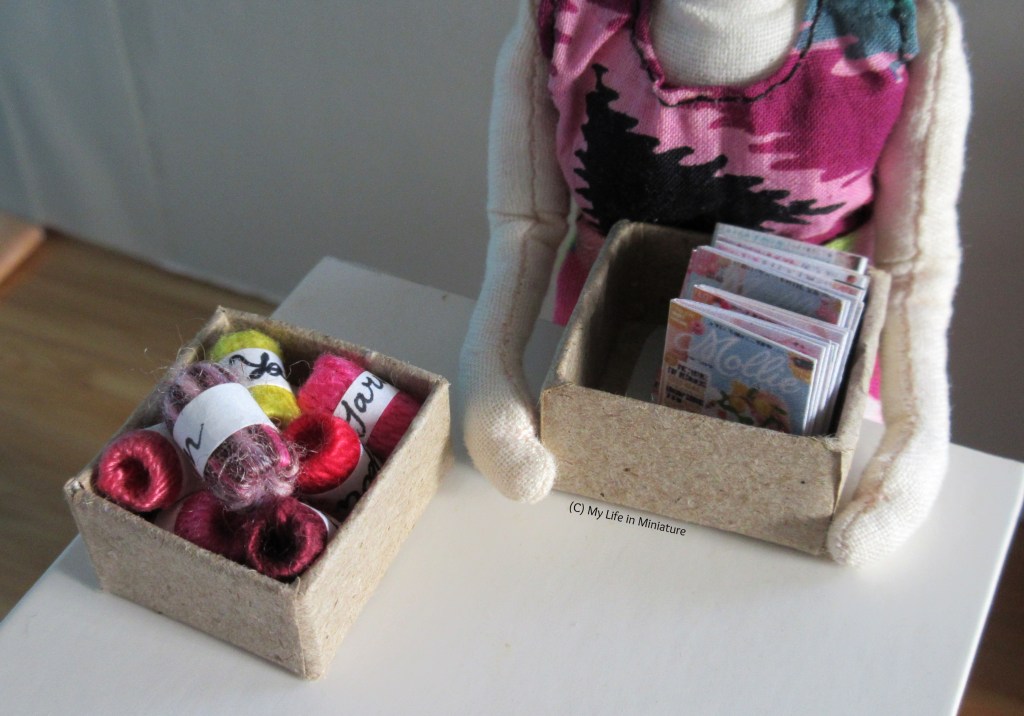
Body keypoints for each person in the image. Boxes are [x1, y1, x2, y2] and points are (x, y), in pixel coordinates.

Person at [458, 0, 970, 565]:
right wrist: (492, 375)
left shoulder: (901, 30)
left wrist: (915, 437)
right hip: (595, 383)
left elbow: (916, 265)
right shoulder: (567, 24)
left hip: (813, 427)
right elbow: (525, 223)